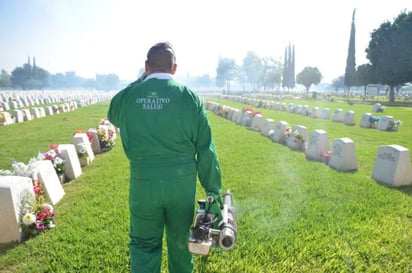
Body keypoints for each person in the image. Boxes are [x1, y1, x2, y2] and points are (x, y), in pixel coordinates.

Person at [107, 42, 222, 273]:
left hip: (143, 185)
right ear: (175, 68)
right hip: (181, 185)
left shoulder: (128, 97)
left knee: (143, 245)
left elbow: (113, 114)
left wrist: (141, 80)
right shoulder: (189, 98)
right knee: (181, 245)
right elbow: (206, 148)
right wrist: (212, 191)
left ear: (146, 66)